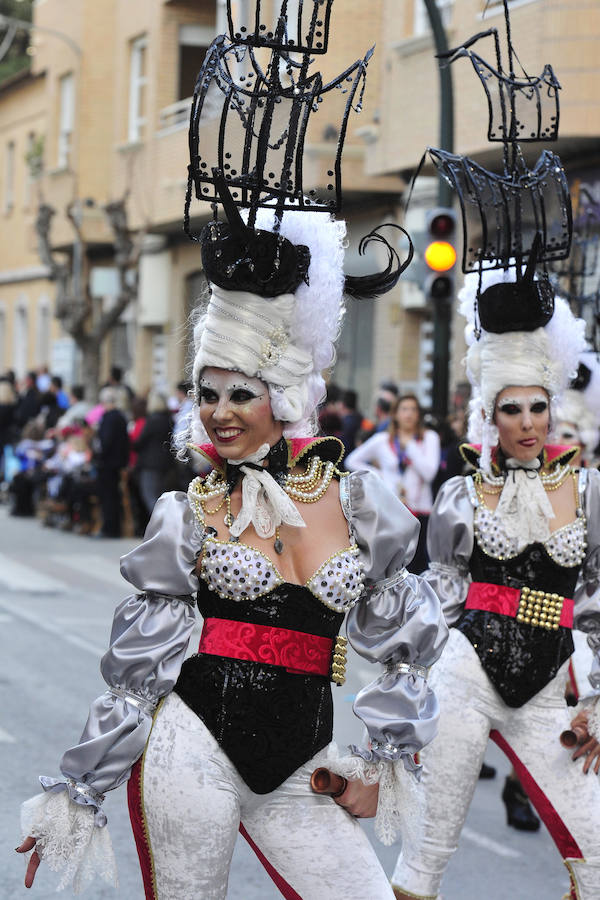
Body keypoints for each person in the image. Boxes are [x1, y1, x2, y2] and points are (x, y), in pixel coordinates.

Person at [391, 263, 600, 900]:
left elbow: (592, 603)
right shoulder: (462, 494)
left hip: (549, 691)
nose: (530, 423)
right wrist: (411, 682)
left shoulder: (587, 492)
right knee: (426, 856)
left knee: (594, 850)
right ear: (491, 415)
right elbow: (444, 593)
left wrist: (596, 696)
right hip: (466, 674)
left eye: (539, 406)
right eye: (513, 409)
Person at [345, 394, 441, 573]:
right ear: (395, 414)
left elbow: (429, 473)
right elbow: (352, 460)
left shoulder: (429, 438)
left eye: (413, 409)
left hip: (421, 512)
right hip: (391, 511)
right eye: (404, 409)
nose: (409, 414)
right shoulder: (382, 440)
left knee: (418, 567)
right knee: (391, 567)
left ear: (419, 414)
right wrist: (380, 476)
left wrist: (410, 447)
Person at [132, 391, 174, 515]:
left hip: (150, 463)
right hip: (165, 462)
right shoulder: (168, 419)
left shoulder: (152, 420)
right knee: (160, 495)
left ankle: (161, 524)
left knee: (150, 495)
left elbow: (140, 442)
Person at [95, 387, 129, 537]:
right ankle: (112, 527)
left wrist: (99, 454)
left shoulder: (109, 418)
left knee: (108, 496)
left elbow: (105, 442)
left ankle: (109, 528)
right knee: (113, 495)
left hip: (108, 463)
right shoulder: (121, 417)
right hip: (118, 462)